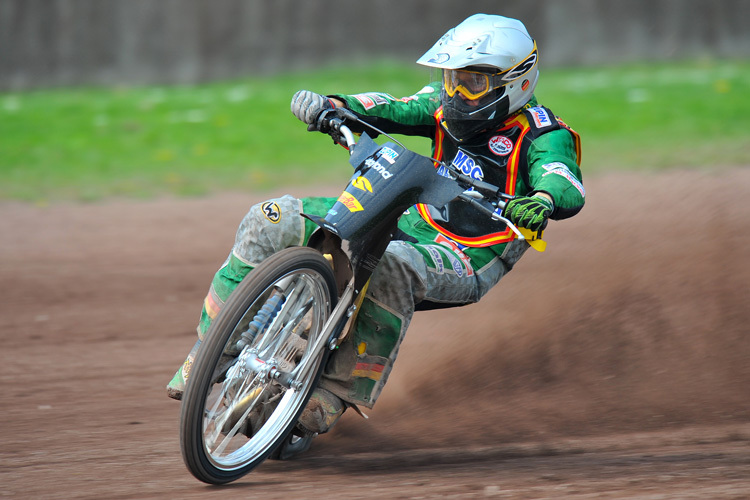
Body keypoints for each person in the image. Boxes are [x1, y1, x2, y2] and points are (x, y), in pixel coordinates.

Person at [167, 13, 585, 439]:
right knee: (269, 219)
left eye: (472, 82)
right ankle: (211, 349)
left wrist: (542, 201)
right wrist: (335, 106)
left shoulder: (544, 134)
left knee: (392, 266)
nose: (456, 92)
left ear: (515, 82)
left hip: (467, 254)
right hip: (405, 216)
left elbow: (563, 181)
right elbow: (392, 107)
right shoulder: (442, 106)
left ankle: (330, 394)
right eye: (451, 78)